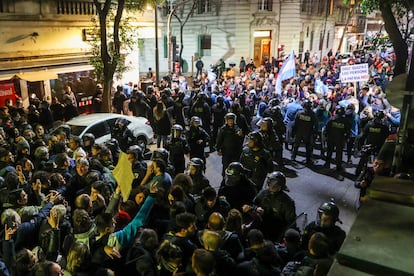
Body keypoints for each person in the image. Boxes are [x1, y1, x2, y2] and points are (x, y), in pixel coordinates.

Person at [243, 171, 296, 243]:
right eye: (269, 183)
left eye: (273, 184)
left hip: (275, 232)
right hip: (261, 225)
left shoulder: (287, 202)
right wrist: (256, 208)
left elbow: (291, 223)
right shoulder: (264, 193)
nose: (270, 186)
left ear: (279, 186)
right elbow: (253, 204)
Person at [324, 105, 351, 172]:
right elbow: (348, 131)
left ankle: (327, 164)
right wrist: (346, 138)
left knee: (329, 151)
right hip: (340, 139)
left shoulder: (332, 119)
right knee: (339, 153)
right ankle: (338, 167)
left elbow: (327, 128)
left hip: (331, 138)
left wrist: (326, 135)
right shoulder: (345, 121)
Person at [291, 100, 317, 165]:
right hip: (308, 132)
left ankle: (293, 157)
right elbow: (315, 124)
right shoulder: (312, 114)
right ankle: (308, 160)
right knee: (308, 146)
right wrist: (315, 133)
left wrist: (293, 132)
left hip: (299, 132)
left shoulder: (299, 113)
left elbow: (295, 123)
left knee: (296, 145)